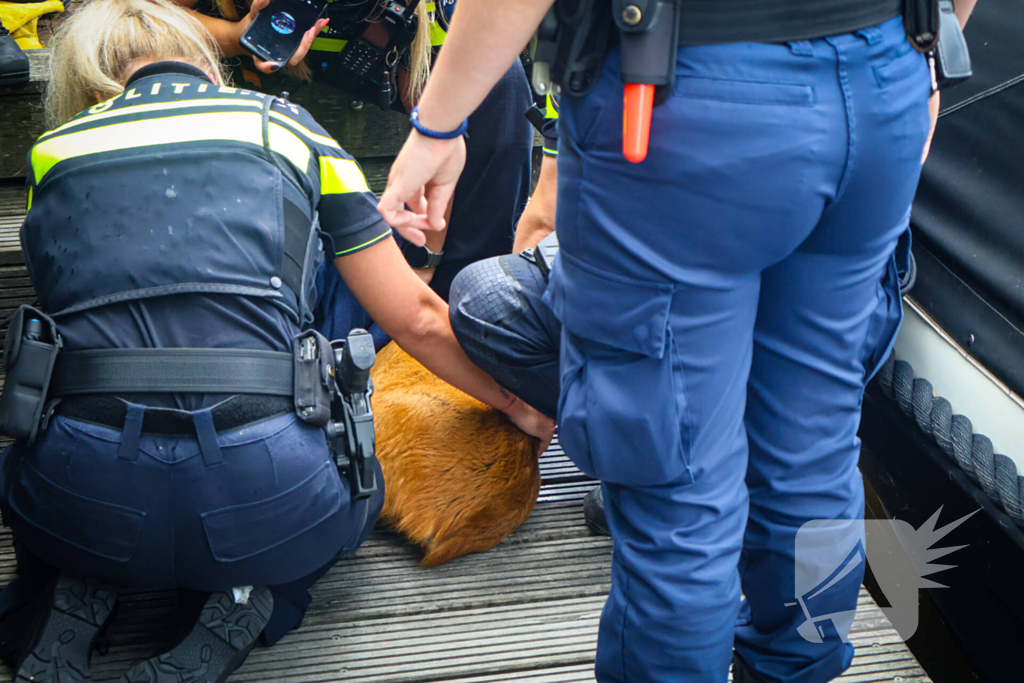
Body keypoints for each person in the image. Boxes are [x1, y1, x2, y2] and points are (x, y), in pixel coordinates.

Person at [378, 0, 978, 682]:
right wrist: (926, 53)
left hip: (688, 99)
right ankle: (800, 665)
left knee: (677, 482)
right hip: (881, 85)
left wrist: (438, 122)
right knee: (814, 443)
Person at [0, 1, 553, 682]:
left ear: (88, 84)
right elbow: (417, 317)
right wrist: (522, 404)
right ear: (211, 66)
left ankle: (76, 576)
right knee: (353, 487)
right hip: (261, 486)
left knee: (51, 469)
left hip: (80, 486)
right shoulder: (287, 127)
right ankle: (257, 597)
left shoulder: (51, 153)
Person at [172, 0, 535, 302]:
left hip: (376, 50)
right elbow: (153, 21)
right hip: (233, 68)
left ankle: (470, 295)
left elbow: (433, 86)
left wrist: (422, 265)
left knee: (499, 83)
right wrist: (239, 37)